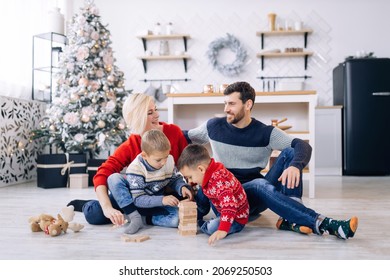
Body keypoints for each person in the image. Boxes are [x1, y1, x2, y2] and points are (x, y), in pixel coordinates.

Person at [184, 81, 358, 239]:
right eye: (225, 103)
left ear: (248, 104)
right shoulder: (213, 126)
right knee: (261, 184)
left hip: (255, 198)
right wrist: (160, 130)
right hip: (225, 197)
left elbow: (302, 146)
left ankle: (290, 219)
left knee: (289, 154)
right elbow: (185, 137)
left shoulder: (266, 132)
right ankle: (323, 224)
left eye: (231, 104)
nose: (226, 109)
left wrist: (295, 166)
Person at [68, 93, 188, 226]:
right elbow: (103, 173)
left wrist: (185, 188)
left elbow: (187, 165)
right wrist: (107, 208)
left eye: (155, 110)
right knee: (95, 214)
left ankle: (141, 218)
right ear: (138, 118)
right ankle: (88, 205)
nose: (157, 115)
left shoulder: (174, 132)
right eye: (150, 112)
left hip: (163, 197)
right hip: (135, 197)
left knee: (193, 211)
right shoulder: (131, 144)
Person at [108, 129, 193, 234]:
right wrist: (162, 200)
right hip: (133, 202)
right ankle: (134, 217)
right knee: (113, 178)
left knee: (176, 220)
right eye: (158, 160)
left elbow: (174, 178)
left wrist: (182, 187)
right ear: (144, 155)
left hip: (154, 203)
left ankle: (144, 219)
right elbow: (138, 199)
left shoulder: (169, 160)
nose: (163, 162)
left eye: (166, 157)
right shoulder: (136, 168)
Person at [177, 144, 249, 245]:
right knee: (202, 187)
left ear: (201, 169)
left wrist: (222, 230)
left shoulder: (219, 181)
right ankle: (199, 213)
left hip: (235, 218)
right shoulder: (209, 171)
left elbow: (230, 205)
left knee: (212, 227)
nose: (189, 181)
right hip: (221, 208)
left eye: (190, 177)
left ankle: (202, 224)